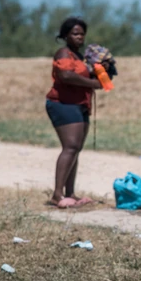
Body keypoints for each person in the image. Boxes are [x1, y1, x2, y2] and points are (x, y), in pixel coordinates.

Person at [45, 18, 104, 209]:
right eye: (75, 33)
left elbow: (99, 79)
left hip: (80, 105)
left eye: (81, 33)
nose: (79, 37)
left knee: (76, 148)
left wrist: (104, 69)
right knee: (70, 146)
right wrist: (93, 84)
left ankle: (70, 193)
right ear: (65, 36)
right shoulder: (63, 53)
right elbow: (66, 75)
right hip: (63, 104)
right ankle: (57, 195)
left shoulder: (82, 57)